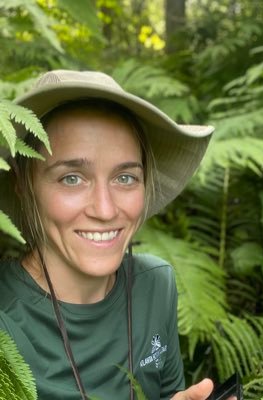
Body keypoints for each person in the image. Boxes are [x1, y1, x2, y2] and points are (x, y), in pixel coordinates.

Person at [0, 70, 227, 399]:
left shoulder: (155, 286)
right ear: (23, 183)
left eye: (125, 178)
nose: (105, 210)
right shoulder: (6, 316)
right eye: (72, 178)